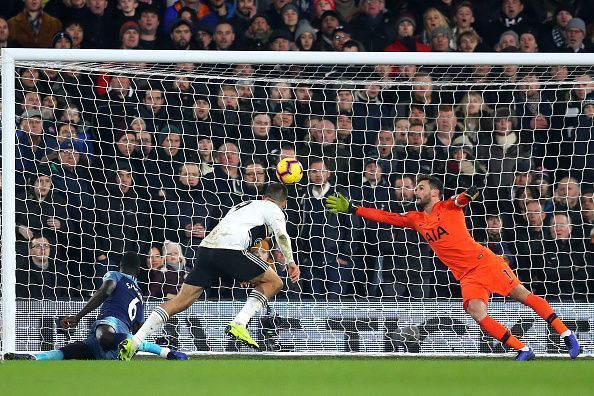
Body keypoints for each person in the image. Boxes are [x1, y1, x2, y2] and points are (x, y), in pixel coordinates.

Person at [326, 175, 581, 361]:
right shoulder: (417, 219)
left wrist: (470, 193)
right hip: (467, 275)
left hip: (485, 262)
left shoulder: (448, 206)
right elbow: (388, 217)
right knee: (476, 312)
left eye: (421, 187)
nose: (416, 191)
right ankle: (523, 350)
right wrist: (353, 208)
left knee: (523, 297)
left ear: (434, 192)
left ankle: (566, 334)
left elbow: (462, 199)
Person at [118, 183, 300, 359]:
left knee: (179, 301)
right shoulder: (274, 208)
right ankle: (240, 322)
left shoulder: (242, 206)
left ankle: (134, 341)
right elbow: (282, 236)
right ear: (284, 203)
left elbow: (240, 235)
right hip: (231, 250)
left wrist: (245, 271)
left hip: (206, 249)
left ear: (263, 197)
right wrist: (291, 262)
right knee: (275, 282)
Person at [4, 252, 188, 361]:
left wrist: (78, 316)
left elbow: (104, 291)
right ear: (139, 272)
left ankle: (165, 352)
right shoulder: (140, 295)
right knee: (72, 351)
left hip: (112, 325)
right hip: (115, 349)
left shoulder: (115, 275)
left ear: (121, 266)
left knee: (103, 335)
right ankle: (34, 358)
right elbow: (137, 332)